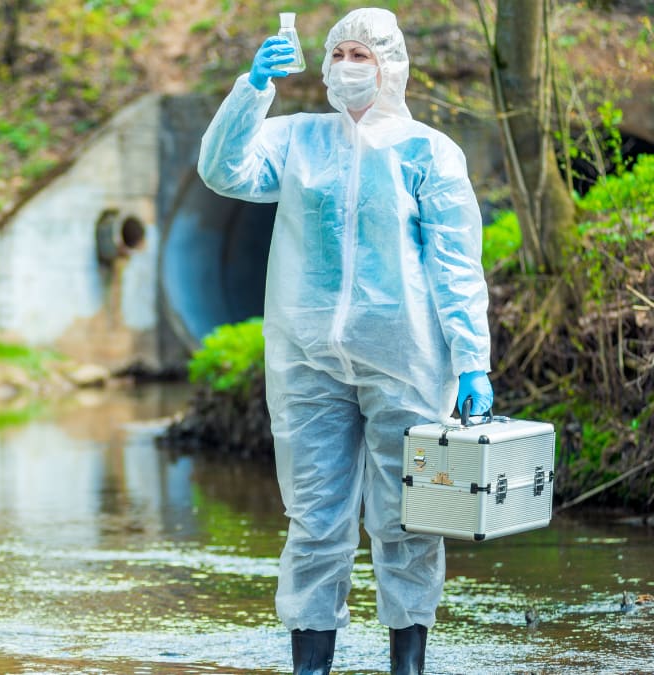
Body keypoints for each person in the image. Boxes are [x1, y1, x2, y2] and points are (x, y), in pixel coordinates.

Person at [196, 7, 493, 675]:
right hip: (307, 359)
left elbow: (455, 264)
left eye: (362, 55)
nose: (347, 66)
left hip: (406, 357)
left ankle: (407, 664)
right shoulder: (296, 139)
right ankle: (311, 666)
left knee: (409, 514)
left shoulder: (429, 152)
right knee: (315, 517)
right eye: (339, 54)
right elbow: (223, 170)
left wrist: (472, 359)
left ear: (391, 66)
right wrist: (252, 90)